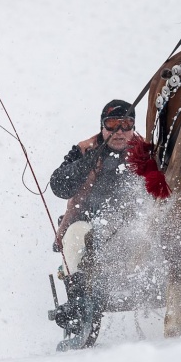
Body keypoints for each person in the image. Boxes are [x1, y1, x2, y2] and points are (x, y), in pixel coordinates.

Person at [49, 100, 142, 335]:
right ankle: (78, 303)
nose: (119, 132)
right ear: (103, 127)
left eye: (126, 125)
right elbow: (59, 185)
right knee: (74, 236)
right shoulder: (84, 149)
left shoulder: (147, 152)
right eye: (112, 124)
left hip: (133, 223)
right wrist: (85, 164)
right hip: (88, 222)